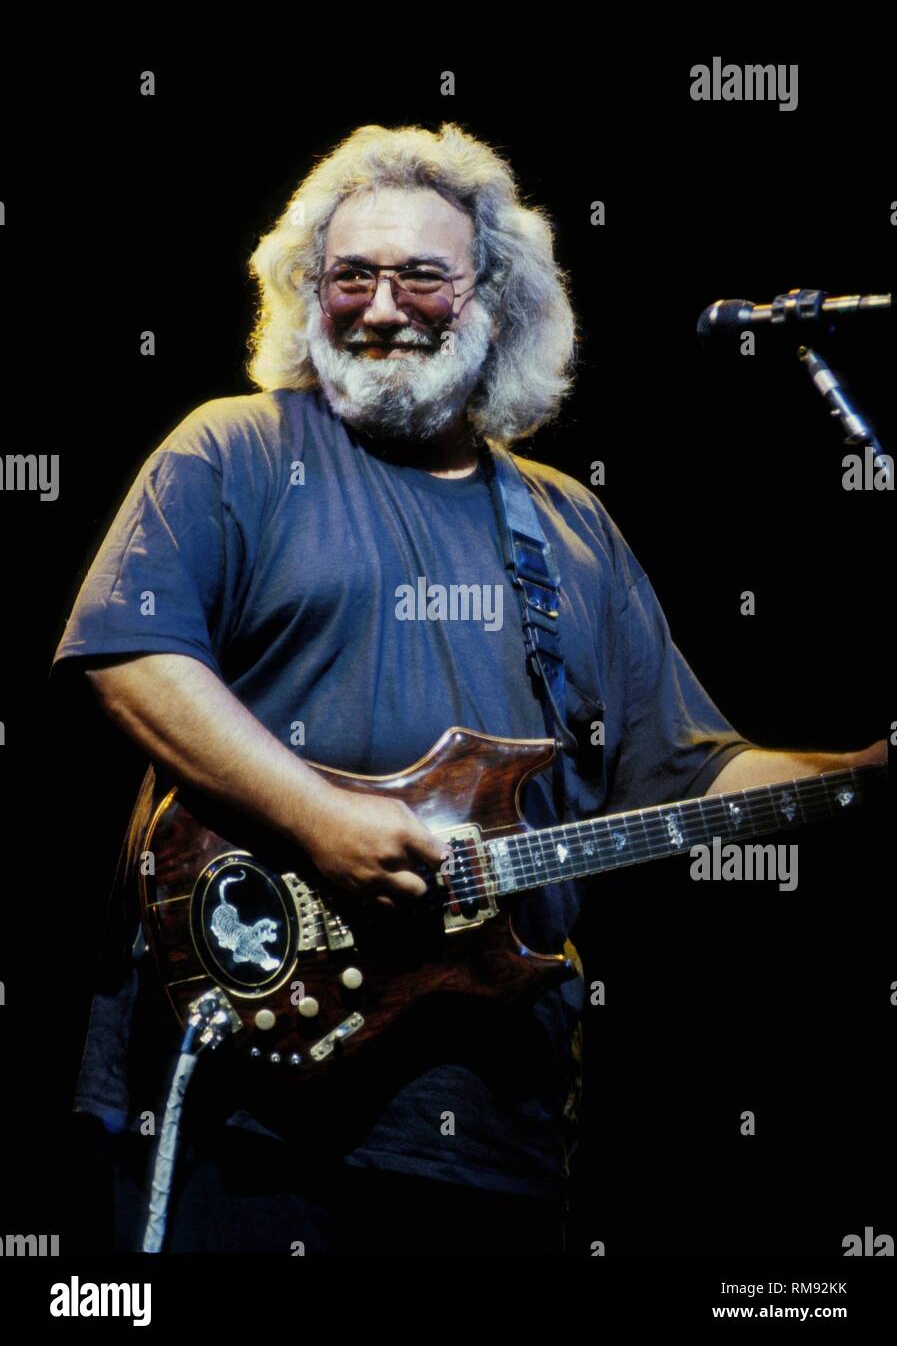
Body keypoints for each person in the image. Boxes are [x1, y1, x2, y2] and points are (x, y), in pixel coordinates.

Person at [51, 121, 885, 1256]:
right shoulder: (233, 448)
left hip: (499, 1126)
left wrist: (857, 775)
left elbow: (690, 769)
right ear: (310, 290)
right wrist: (325, 822)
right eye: (352, 274)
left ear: (492, 299)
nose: (382, 305)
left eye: (422, 275)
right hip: (255, 1095)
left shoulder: (569, 523)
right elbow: (129, 656)